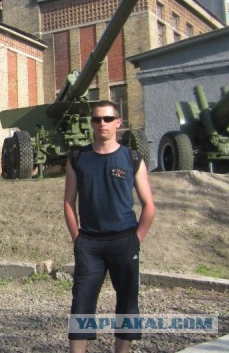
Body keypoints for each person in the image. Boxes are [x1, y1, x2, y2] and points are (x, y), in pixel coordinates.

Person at [64, 100, 156, 353]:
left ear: (118, 123)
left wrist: (136, 239)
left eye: (107, 119)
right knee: (81, 302)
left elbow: (149, 205)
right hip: (90, 244)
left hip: (124, 240)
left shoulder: (132, 158)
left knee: (127, 301)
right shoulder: (77, 157)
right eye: (96, 119)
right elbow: (69, 202)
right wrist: (77, 238)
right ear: (91, 124)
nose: (101, 124)